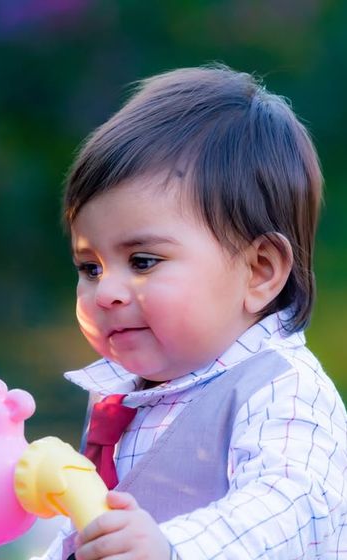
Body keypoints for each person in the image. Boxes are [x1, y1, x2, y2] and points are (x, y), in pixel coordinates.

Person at [38, 65, 347, 560]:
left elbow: (294, 506)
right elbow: (89, 536)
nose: (106, 292)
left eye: (143, 261)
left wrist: (172, 547)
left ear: (259, 271)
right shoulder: (128, 398)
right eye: (90, 266)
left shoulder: (280, 389)